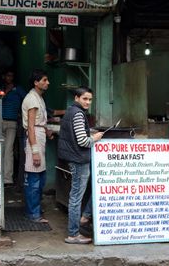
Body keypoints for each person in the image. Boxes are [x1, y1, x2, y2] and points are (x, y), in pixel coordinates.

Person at [58, 87, 104, 244]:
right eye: (85, 99)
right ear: (77, 98)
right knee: (76, 197)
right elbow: (83, 141)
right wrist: (95, 138)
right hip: (78, 160)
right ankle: (73, 234)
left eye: (90, 99)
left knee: (76, 195)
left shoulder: (71, 111)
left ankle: (84, 219)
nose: (88, 102)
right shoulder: (78, 114)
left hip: (74, 157)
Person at [21, 69, 54, 223]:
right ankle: (33, 214)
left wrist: (46, 131)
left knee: (40, 177)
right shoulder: (32, 99)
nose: (48, 83)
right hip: (34, 140)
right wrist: (34, 150)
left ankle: (34, 210)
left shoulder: (38, 98)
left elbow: (38, 124)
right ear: (36, 82)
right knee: (34, 179)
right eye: (44, 80)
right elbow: (31, 127)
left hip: (39, 138)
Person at [0, 69, 26, 188]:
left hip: (12, 122)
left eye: (11, 75)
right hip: (0, 122)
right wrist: (5, 93)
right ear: (4, 77)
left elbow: (26, 101)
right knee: (1, 150)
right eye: (8, 75)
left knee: (9, 150)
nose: (10, 78)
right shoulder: (0, 90)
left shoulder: (18, 89)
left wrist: (21, 113)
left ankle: (7, 179)